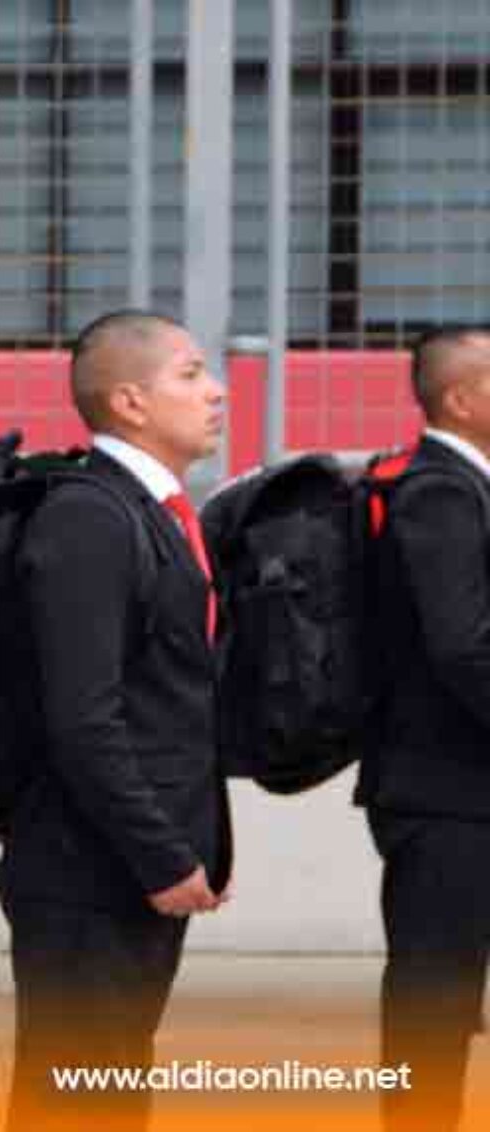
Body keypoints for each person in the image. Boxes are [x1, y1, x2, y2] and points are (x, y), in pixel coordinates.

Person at [0, 310, 232, 1132]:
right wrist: (163, 854)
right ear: (130, 402)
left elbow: (166, 699)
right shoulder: (90, 517)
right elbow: (83, 718)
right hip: (87, 871)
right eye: (192, 374)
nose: (217, 392)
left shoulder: (151, 510)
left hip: (128, 870)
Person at [358, 326, 490, 1132]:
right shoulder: (440, 493)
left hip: (467, 793)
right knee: (433, 1004)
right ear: (463, 400)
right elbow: (462, 645)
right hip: (446, 797)